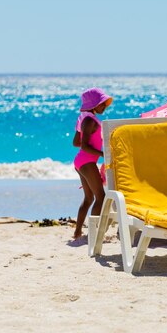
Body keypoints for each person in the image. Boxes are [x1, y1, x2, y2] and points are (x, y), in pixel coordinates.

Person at [72, 87, 113, 240]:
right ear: (93, 105)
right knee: (101, 197)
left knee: (89, 198)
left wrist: (91, 144)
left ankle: (77, 232)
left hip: (81, 161)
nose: (104, 107)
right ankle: (93, 235)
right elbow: (83, 145)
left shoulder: (83, 118)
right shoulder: (90, 120)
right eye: (102, 104)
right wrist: (103, 153)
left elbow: (76, 142)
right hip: (87, 161)